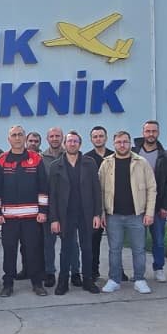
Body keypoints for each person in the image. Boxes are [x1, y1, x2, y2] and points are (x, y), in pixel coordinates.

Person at [98, 131, 157, 295]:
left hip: (136, 215)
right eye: (119, 142)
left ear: (130, 143)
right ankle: (114, 280)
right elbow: (99, 190)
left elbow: (152, 188)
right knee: (114, 249)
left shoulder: (141, 162)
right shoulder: (106, 163)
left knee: (139, 249)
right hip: (113, 215)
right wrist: (101, 213)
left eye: (125, 142)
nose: (122, 145)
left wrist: (149, 213)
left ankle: (139, 279)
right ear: (114, 144)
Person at [0, 125, 50, 297]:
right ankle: (8, 284)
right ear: (8, 139)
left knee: (33, 251)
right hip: (9, 218)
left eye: (20, 135)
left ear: (25, 138)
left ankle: (37, 283)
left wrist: (43, 211)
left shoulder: (36, 159)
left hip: (32, 217)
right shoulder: (1, 160)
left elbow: (43, 186)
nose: (17, 138)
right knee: (9, 252)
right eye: (14, 135)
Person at [49, 131, 100, 294]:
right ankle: (63, 282)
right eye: (69, 141)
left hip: (86, 213)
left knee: (87, 248)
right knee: (66, 249)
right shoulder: (56, 166)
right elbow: (52, 195)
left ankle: (88, 281)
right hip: (65, 215)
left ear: (80, 144)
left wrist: (97, 214)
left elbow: (96, 190)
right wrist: (54, 219)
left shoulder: (89, 163)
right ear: (64, 144)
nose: (72, 144)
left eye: (75, 141)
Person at [136, 120, 167, 283]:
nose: (151, 134)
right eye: (148, 131)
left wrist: (166, 205)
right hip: (138, 206)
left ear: (158, 133)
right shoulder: (134, 152)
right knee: (138, 242)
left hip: (158, 206)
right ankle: (139, 271)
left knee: (158, 240)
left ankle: (158, 268)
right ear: (143, 133)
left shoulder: (165, 156)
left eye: (154, 131)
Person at [86, 126, 115, 281]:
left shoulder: (114, 156)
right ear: (91, 139)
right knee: (94, 241)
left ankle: (117, 270)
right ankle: (93, 271)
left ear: (106, 138)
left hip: (114, 205)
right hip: (94, 206)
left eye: (101, 136)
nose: (98, 139)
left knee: (115, 242)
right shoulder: (87, 159)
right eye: (95, 136)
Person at [40, 126, 65, 286]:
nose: (55, 139)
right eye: (52, 136)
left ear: (62, 138)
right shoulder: (41, 159)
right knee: (48, 244)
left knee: (70, 244)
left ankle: (73, 272)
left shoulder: (70, 155)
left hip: (67, 208)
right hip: (48, 208)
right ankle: (49, 272)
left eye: (57, 136)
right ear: (47, 139)